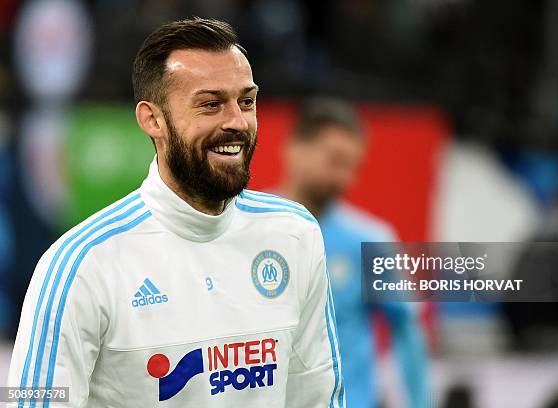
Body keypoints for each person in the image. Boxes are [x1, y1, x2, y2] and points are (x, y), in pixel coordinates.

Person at [8, 19, 344, 408]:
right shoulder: (78, 265)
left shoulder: (295, 233)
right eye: (210, 104)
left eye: (246, 101)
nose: (236, 122)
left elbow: (318, 397)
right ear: (153, 120)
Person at [280, 98, 430, 408]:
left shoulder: (370, 241)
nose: (343, 179)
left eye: (352, 167)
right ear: (295, 149)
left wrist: (421, 402)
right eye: (335, 160)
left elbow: (406, 328)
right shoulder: (249, 228)